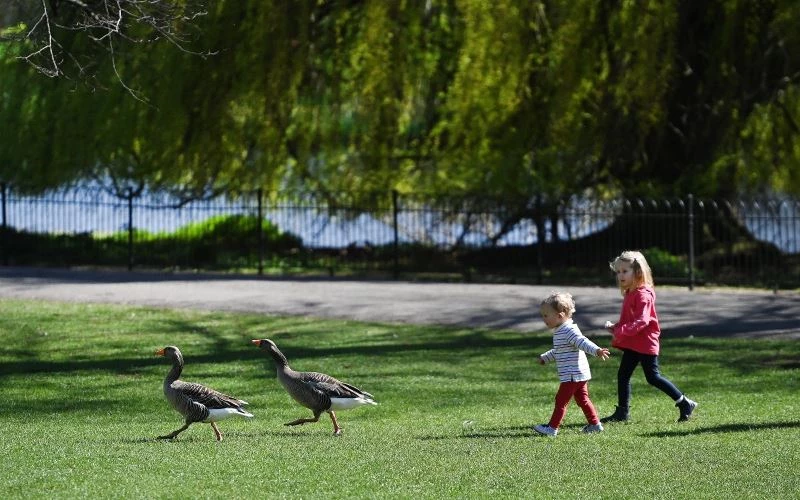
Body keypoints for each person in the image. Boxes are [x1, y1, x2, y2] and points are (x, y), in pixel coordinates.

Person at [601, 250, 698, 423]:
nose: (620, 275)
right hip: (633, 343)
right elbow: (630, 320)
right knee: (623, 375)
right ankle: (622, 412)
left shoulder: (643, 294)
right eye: (618, 272)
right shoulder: (630, 292)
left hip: (645, 343)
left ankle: (684, 403)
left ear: (638, 272)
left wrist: (620, 331)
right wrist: (615, 327)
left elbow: (642, 321)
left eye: (625, 271)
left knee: (653, 377)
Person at [533, 291, 610, 437]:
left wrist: (596, 350)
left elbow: (582, 342)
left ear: (560, 315)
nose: (544, 319)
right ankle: (595, 424)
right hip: (579, 374)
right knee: (582, 399)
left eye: (546, 315)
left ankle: (552, 428)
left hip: (572, 375)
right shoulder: (562, 330)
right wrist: (545, 358)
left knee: (561, 401)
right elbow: (559, 350)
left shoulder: (568, 330)